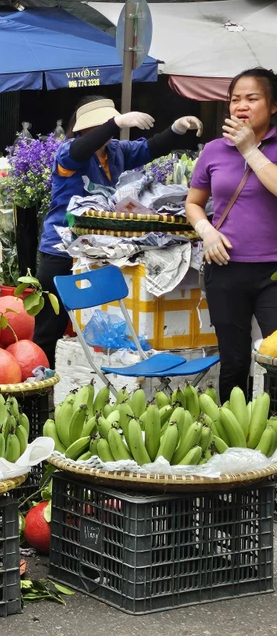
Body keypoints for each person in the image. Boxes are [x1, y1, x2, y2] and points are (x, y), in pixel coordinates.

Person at [33, 96, 203, 369]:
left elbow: (149, 148)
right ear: (85, 129)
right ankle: (40, 390)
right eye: (103, 127)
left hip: (97, 251)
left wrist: (177, 129)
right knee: (49, 329)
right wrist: (116, 122)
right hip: (61, 251)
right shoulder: (69, 152)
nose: (109, 133)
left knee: (90, 327)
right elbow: (80, 149)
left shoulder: (115, 152)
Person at [186, 68, 277, 402]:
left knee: (276, 358)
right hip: (224, 268)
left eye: (252, 98)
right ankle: (235, 437)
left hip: (273, 271)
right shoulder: (213, 150)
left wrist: (251, 150)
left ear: (273, 105)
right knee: (234, 361)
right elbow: (193, 203)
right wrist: (206, 230)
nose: (242, 106)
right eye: (235, 99)